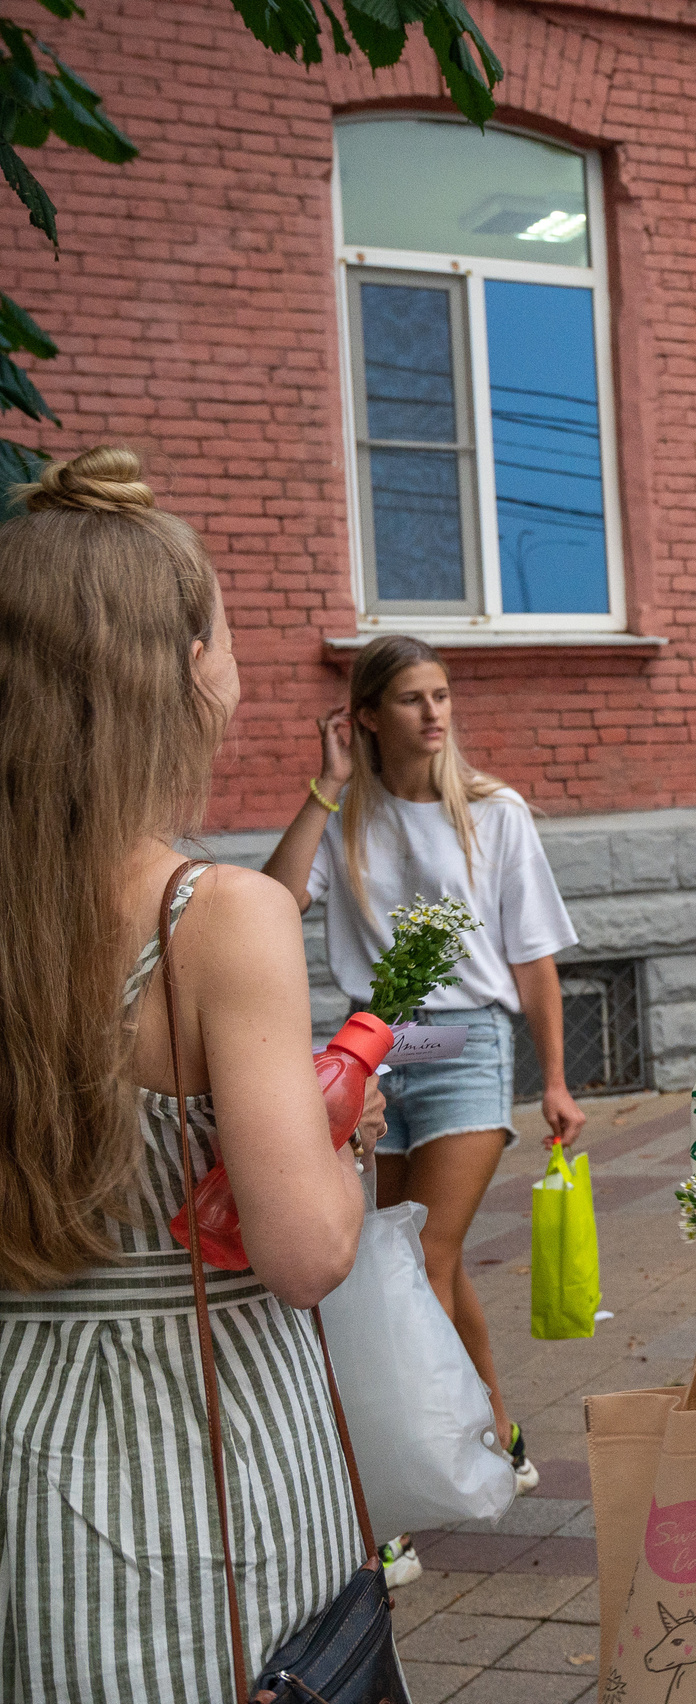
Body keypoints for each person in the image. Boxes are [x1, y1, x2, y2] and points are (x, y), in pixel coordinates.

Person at [0, 448, 368, 1698]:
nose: (236, 668)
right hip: (193, 1456)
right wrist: (346, 1164)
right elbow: (305, 1251)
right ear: (174, 672)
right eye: (221, 634)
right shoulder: (216, 915)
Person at [263, 634, 584, 1512]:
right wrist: (325, 789)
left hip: (464, 1043)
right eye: (412, 698)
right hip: (372, 1050)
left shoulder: (494, 812)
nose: (434, 711)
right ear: (367, 715)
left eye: (442, 694)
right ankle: (499, 1430)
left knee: (426, 1257)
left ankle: (399, 1481)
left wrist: (555, 1079)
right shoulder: (348, 816)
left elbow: (534, 959)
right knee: (404, 1255)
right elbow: (276, 899)